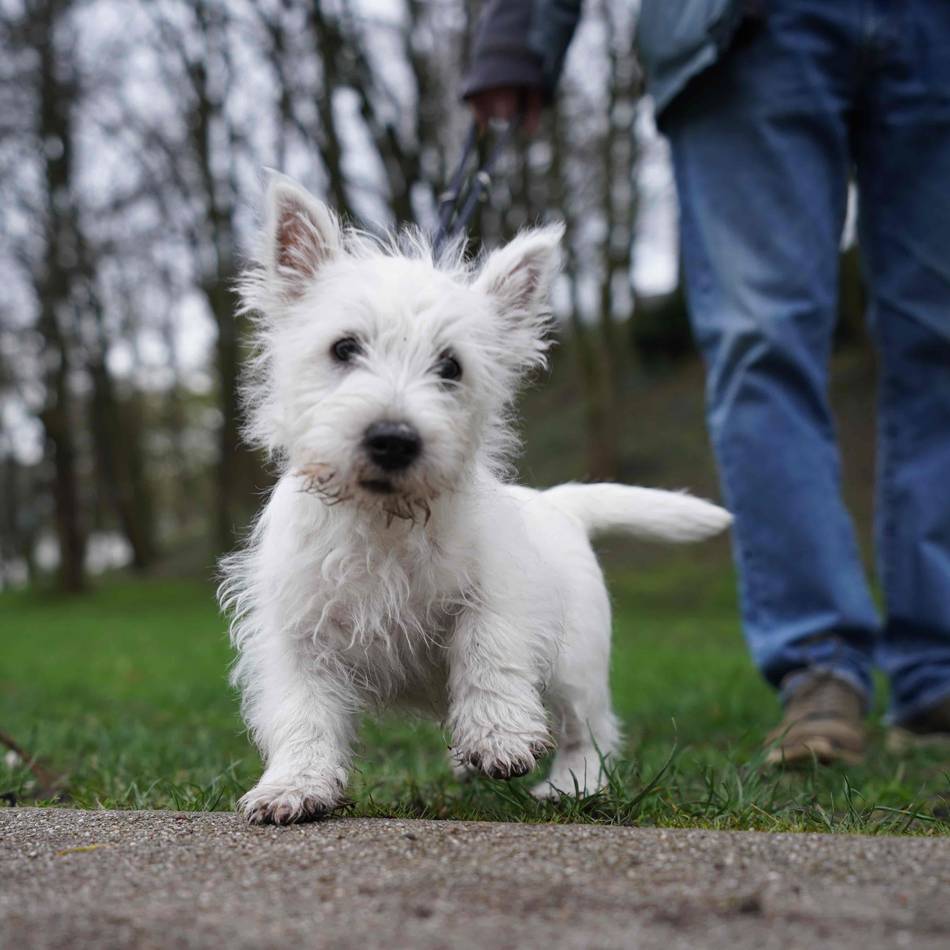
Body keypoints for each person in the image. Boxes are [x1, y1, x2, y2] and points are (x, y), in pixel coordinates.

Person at [462, 0, 950, 764]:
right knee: (764, 340)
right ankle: (818, 666)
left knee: (941, 343)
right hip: (747, 27)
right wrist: (522, 32)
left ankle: (939, 670)